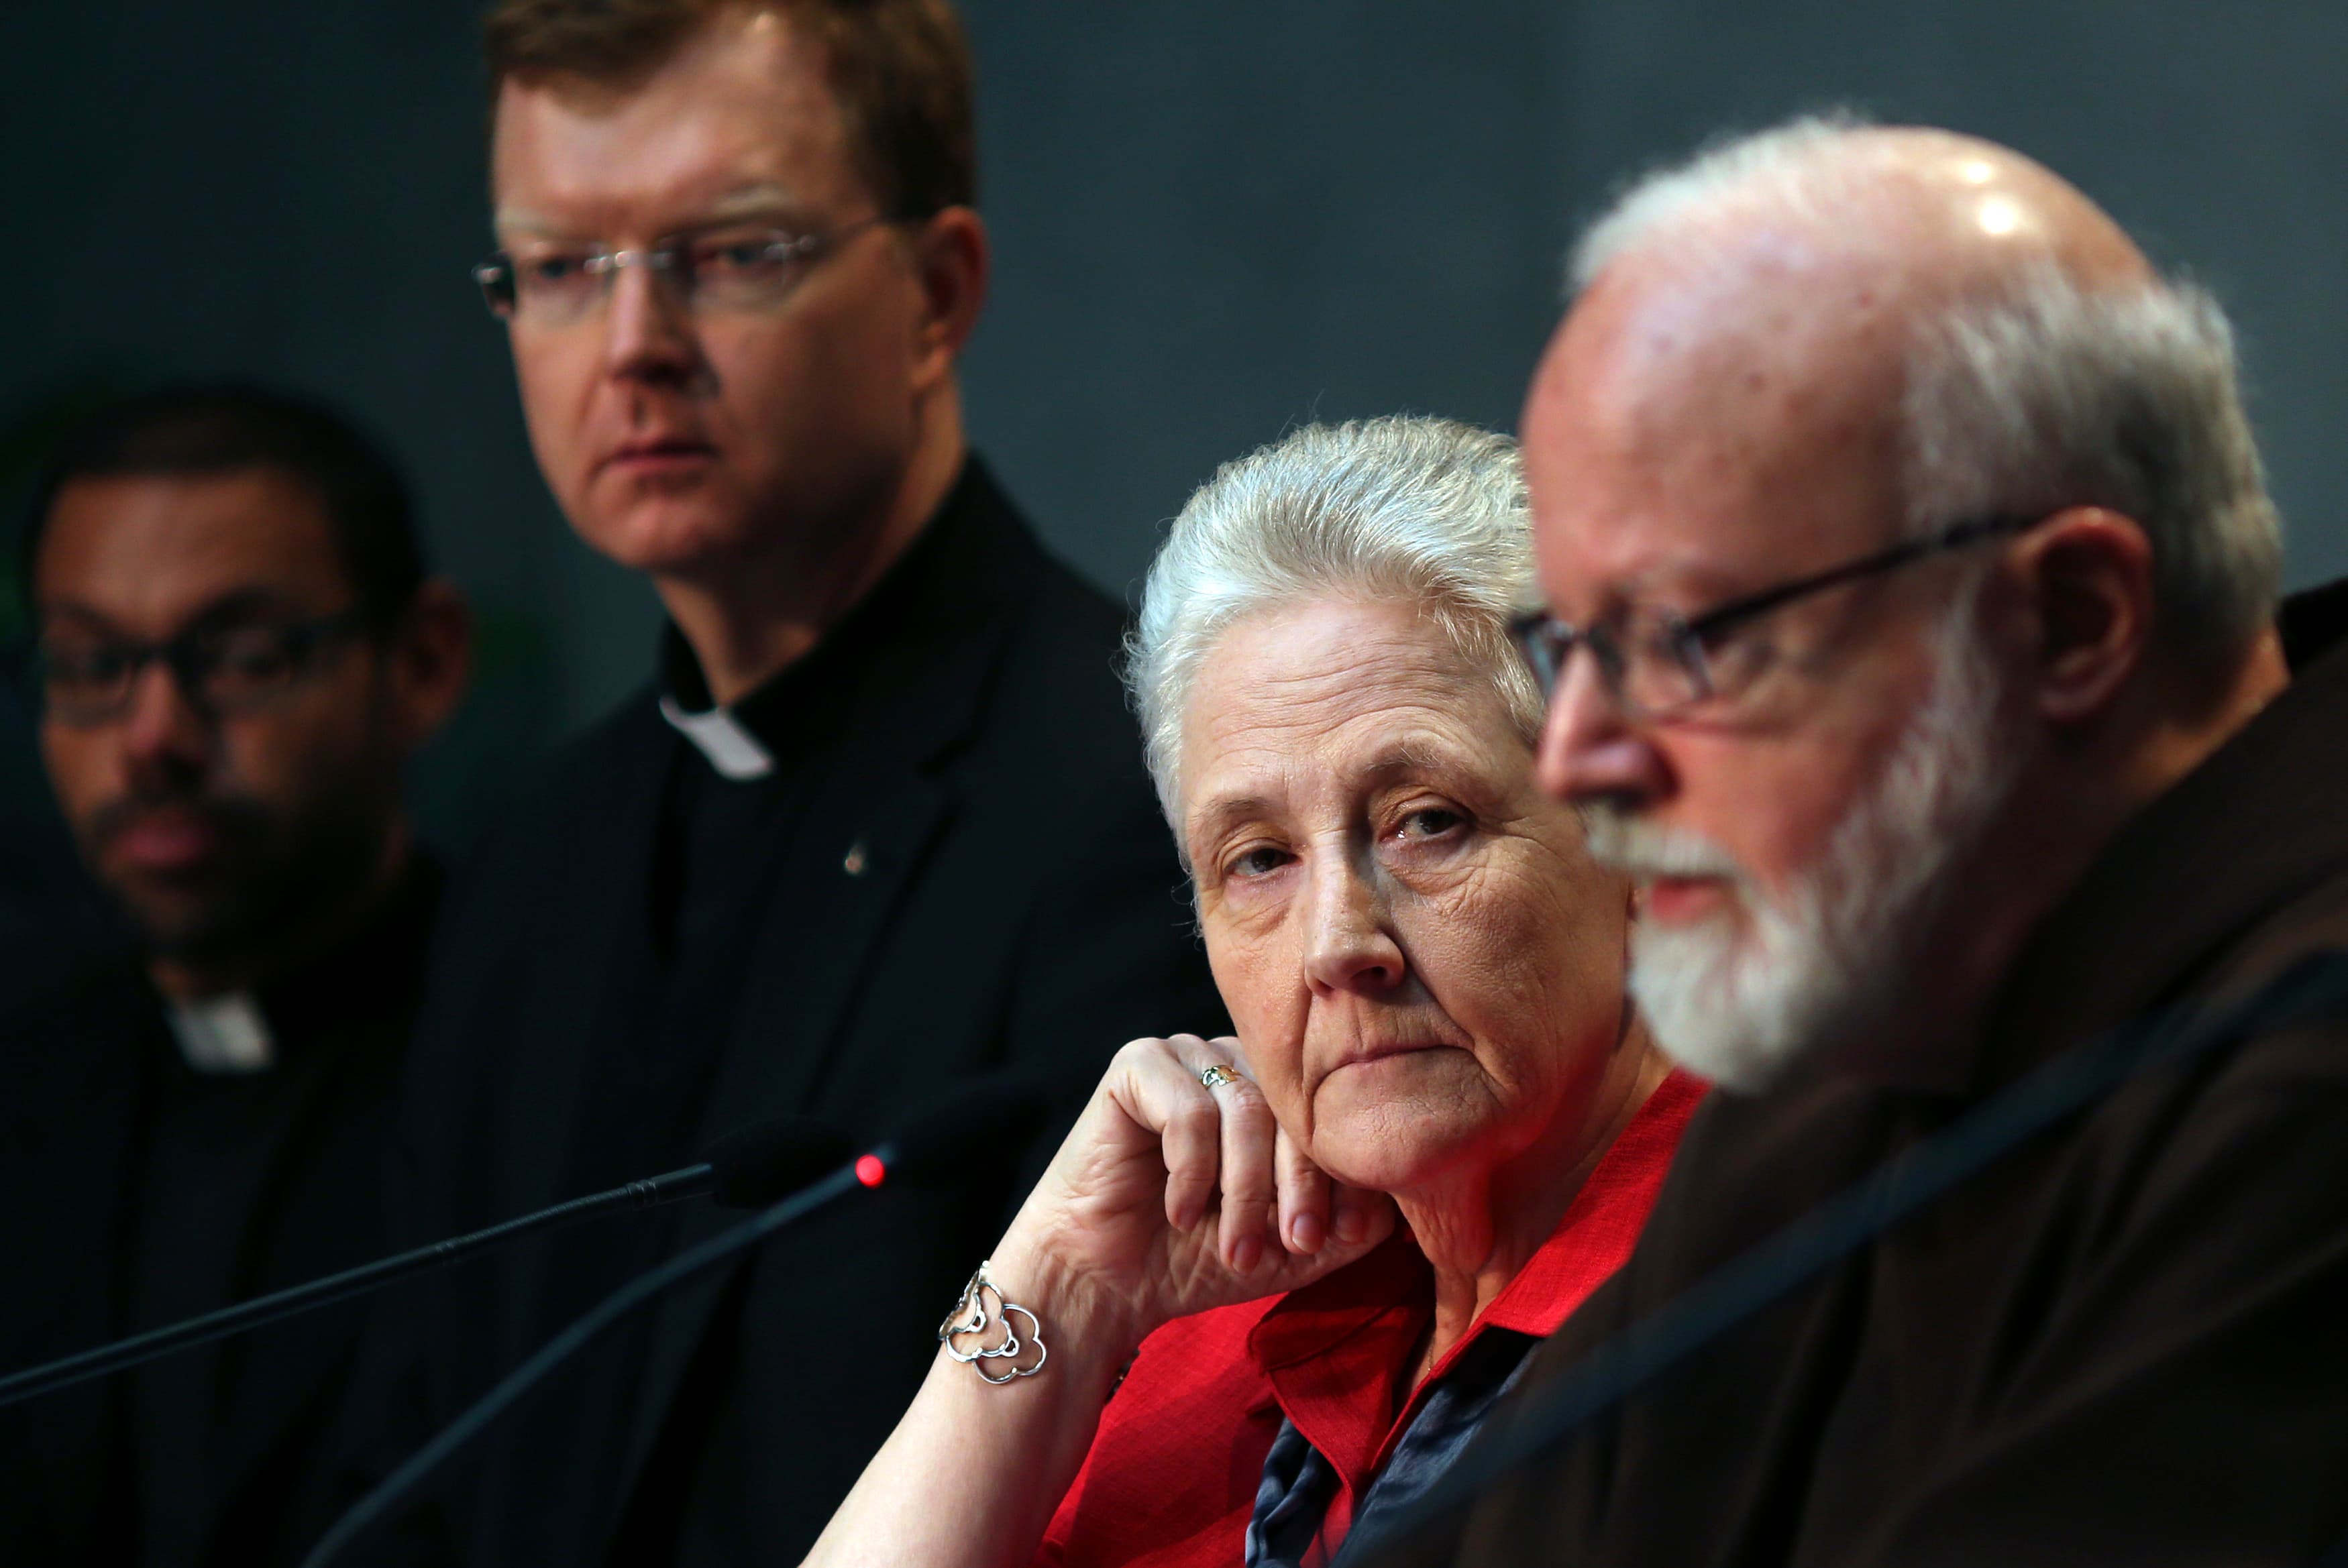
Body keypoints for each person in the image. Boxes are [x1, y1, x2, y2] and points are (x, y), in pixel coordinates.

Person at [1353, 118, 2348, 1567]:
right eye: (1572, 643)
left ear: (2067, 619)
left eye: (1683, 640)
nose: (1575, 759)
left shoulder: (2308, 1077)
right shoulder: (1861, 1026)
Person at [348, 2, 1224, 1563]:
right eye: (558, 267)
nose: (631, 346)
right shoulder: (529, 863)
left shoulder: (1150, 799)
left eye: (730, 251)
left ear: (938, 292)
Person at [798, 415, 1703, 1568]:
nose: (1337, 943)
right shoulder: (1213, 1340)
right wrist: (1062, 1290)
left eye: (1427, 822)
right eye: (1260, 859)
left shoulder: (1789, 1262)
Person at [0, 385, 471, 1568]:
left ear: (420, 664)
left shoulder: (539, 1067)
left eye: (243, 657)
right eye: (90, 663)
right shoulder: (25, 1081)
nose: (152, 732)